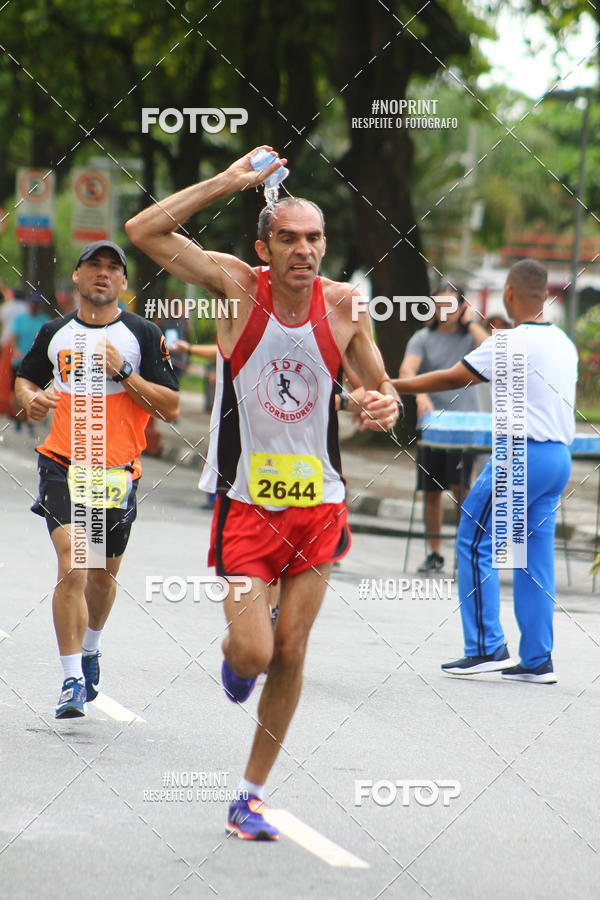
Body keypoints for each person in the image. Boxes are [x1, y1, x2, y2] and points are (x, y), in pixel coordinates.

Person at [125, 146, 400, 840]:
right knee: (254, 652)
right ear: (264, 247)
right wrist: (229, 180)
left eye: (314, 239)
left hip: (320, 505)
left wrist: (383, 405)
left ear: (324, 246)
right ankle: (237, 659)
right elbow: (144, 231)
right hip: (248, 505)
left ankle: (249, 796)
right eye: (288, 238)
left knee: (292, 651)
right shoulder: (235, 288)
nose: (303, 250)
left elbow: (380, 388)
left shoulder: (344, 306)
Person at [15, 241, 179, 718]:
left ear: (124, 282)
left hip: (116, 471)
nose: (102, 274)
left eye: (112, 268)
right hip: (63, 463)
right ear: (77, 276)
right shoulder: (55, 332)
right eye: (93, 266)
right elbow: (26, 379)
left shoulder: (142, 334)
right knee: (74, 565)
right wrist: (30, 399)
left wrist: (124, 371)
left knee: (103, 580)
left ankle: (90, 649)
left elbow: (170, 407)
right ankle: (70, 679)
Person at [393, 260, 577, 684]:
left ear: (509, 293)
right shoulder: (564, 342)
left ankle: (485, 647)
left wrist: (391, 385)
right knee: (532, 558)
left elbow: (451, 378)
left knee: (475, 539)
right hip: (557, 459)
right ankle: (537, 659)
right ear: (544, 295)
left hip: (520, 456)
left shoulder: (511, 342)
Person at [399, 289, 488, 572]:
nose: (443, 311)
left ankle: (467, 549)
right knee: (431, 491)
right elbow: (407, 371)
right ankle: (435, 553)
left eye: (450, 305)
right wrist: (420, 395)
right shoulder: (422, 338)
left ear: (461, 307)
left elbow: (494, 350)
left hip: (465, 427)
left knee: (462, 488)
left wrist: (470, 322)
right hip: (433, 425)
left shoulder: (470, 338)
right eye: (438, 305)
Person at [8, 293, 52, 431]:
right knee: (15, 391)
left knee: (35, 391)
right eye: (33, 303)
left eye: (37, 304)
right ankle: (18, 418)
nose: (34, 306)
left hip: (37, 362)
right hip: (19, 361)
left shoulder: (44, 321)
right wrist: (17, 353)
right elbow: (13, 339)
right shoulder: (20, 319)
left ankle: (29, 419)